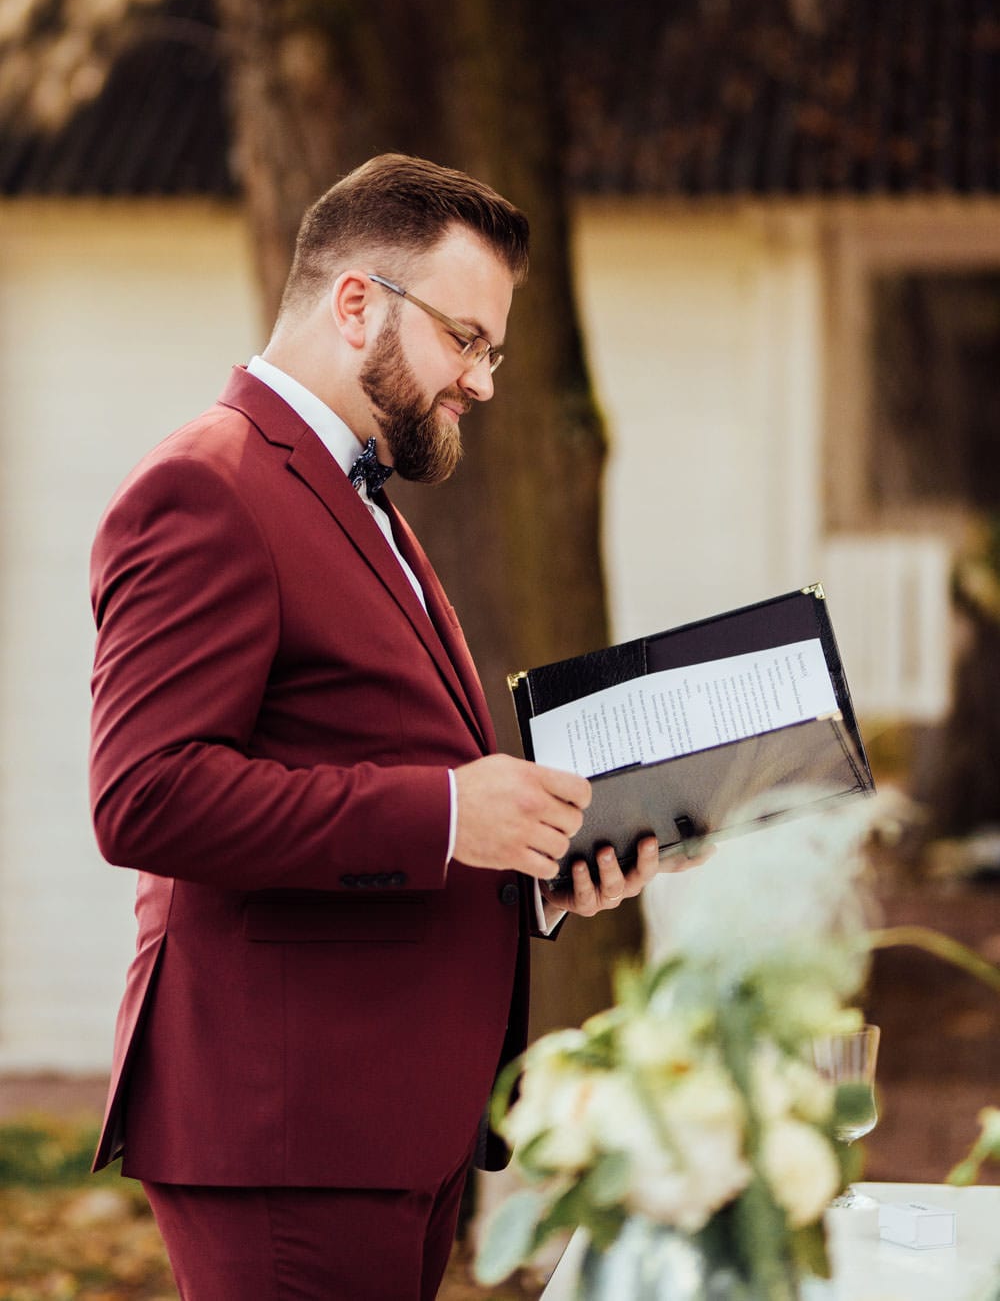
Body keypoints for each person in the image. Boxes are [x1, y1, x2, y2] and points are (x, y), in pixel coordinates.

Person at [88, 153, 669, 1301]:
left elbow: (364, 772)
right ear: (356, 302)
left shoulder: (359, 497)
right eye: (466, 338)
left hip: (395, 1123)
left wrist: (535, 867)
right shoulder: (206, 485)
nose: (483, 382)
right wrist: (456, 813)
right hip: (289, 1131)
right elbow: (144, 793)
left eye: (491, 351)